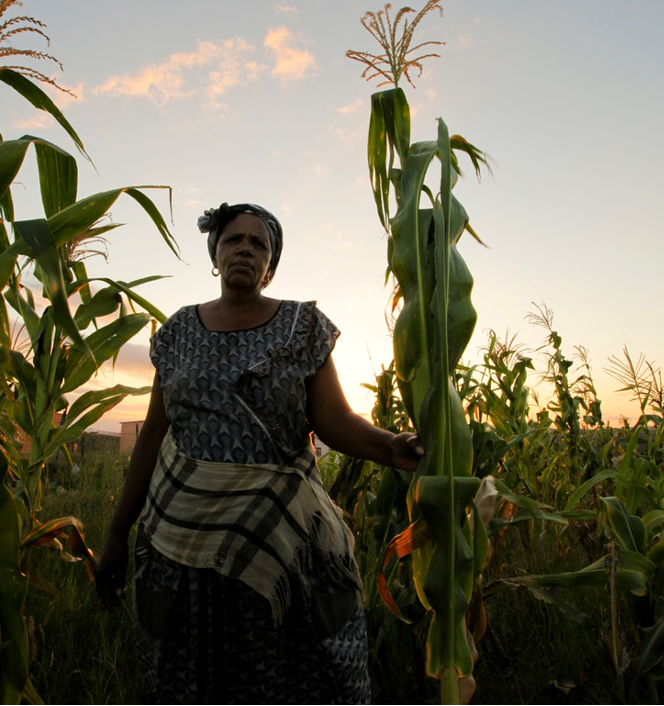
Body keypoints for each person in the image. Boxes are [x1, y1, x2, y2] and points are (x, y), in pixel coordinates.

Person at [95, 202, 424, 705]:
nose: (245, 248)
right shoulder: (178, 332)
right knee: (190, 676)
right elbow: (154, 432)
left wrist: (390, 446)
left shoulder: (301, 326)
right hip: (181, 547)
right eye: (233, 240)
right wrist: (117, 533)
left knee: (285, 678)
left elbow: (333, 421)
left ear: (270, 266)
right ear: (215, 255)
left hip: (279, 545)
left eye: (259, 244)